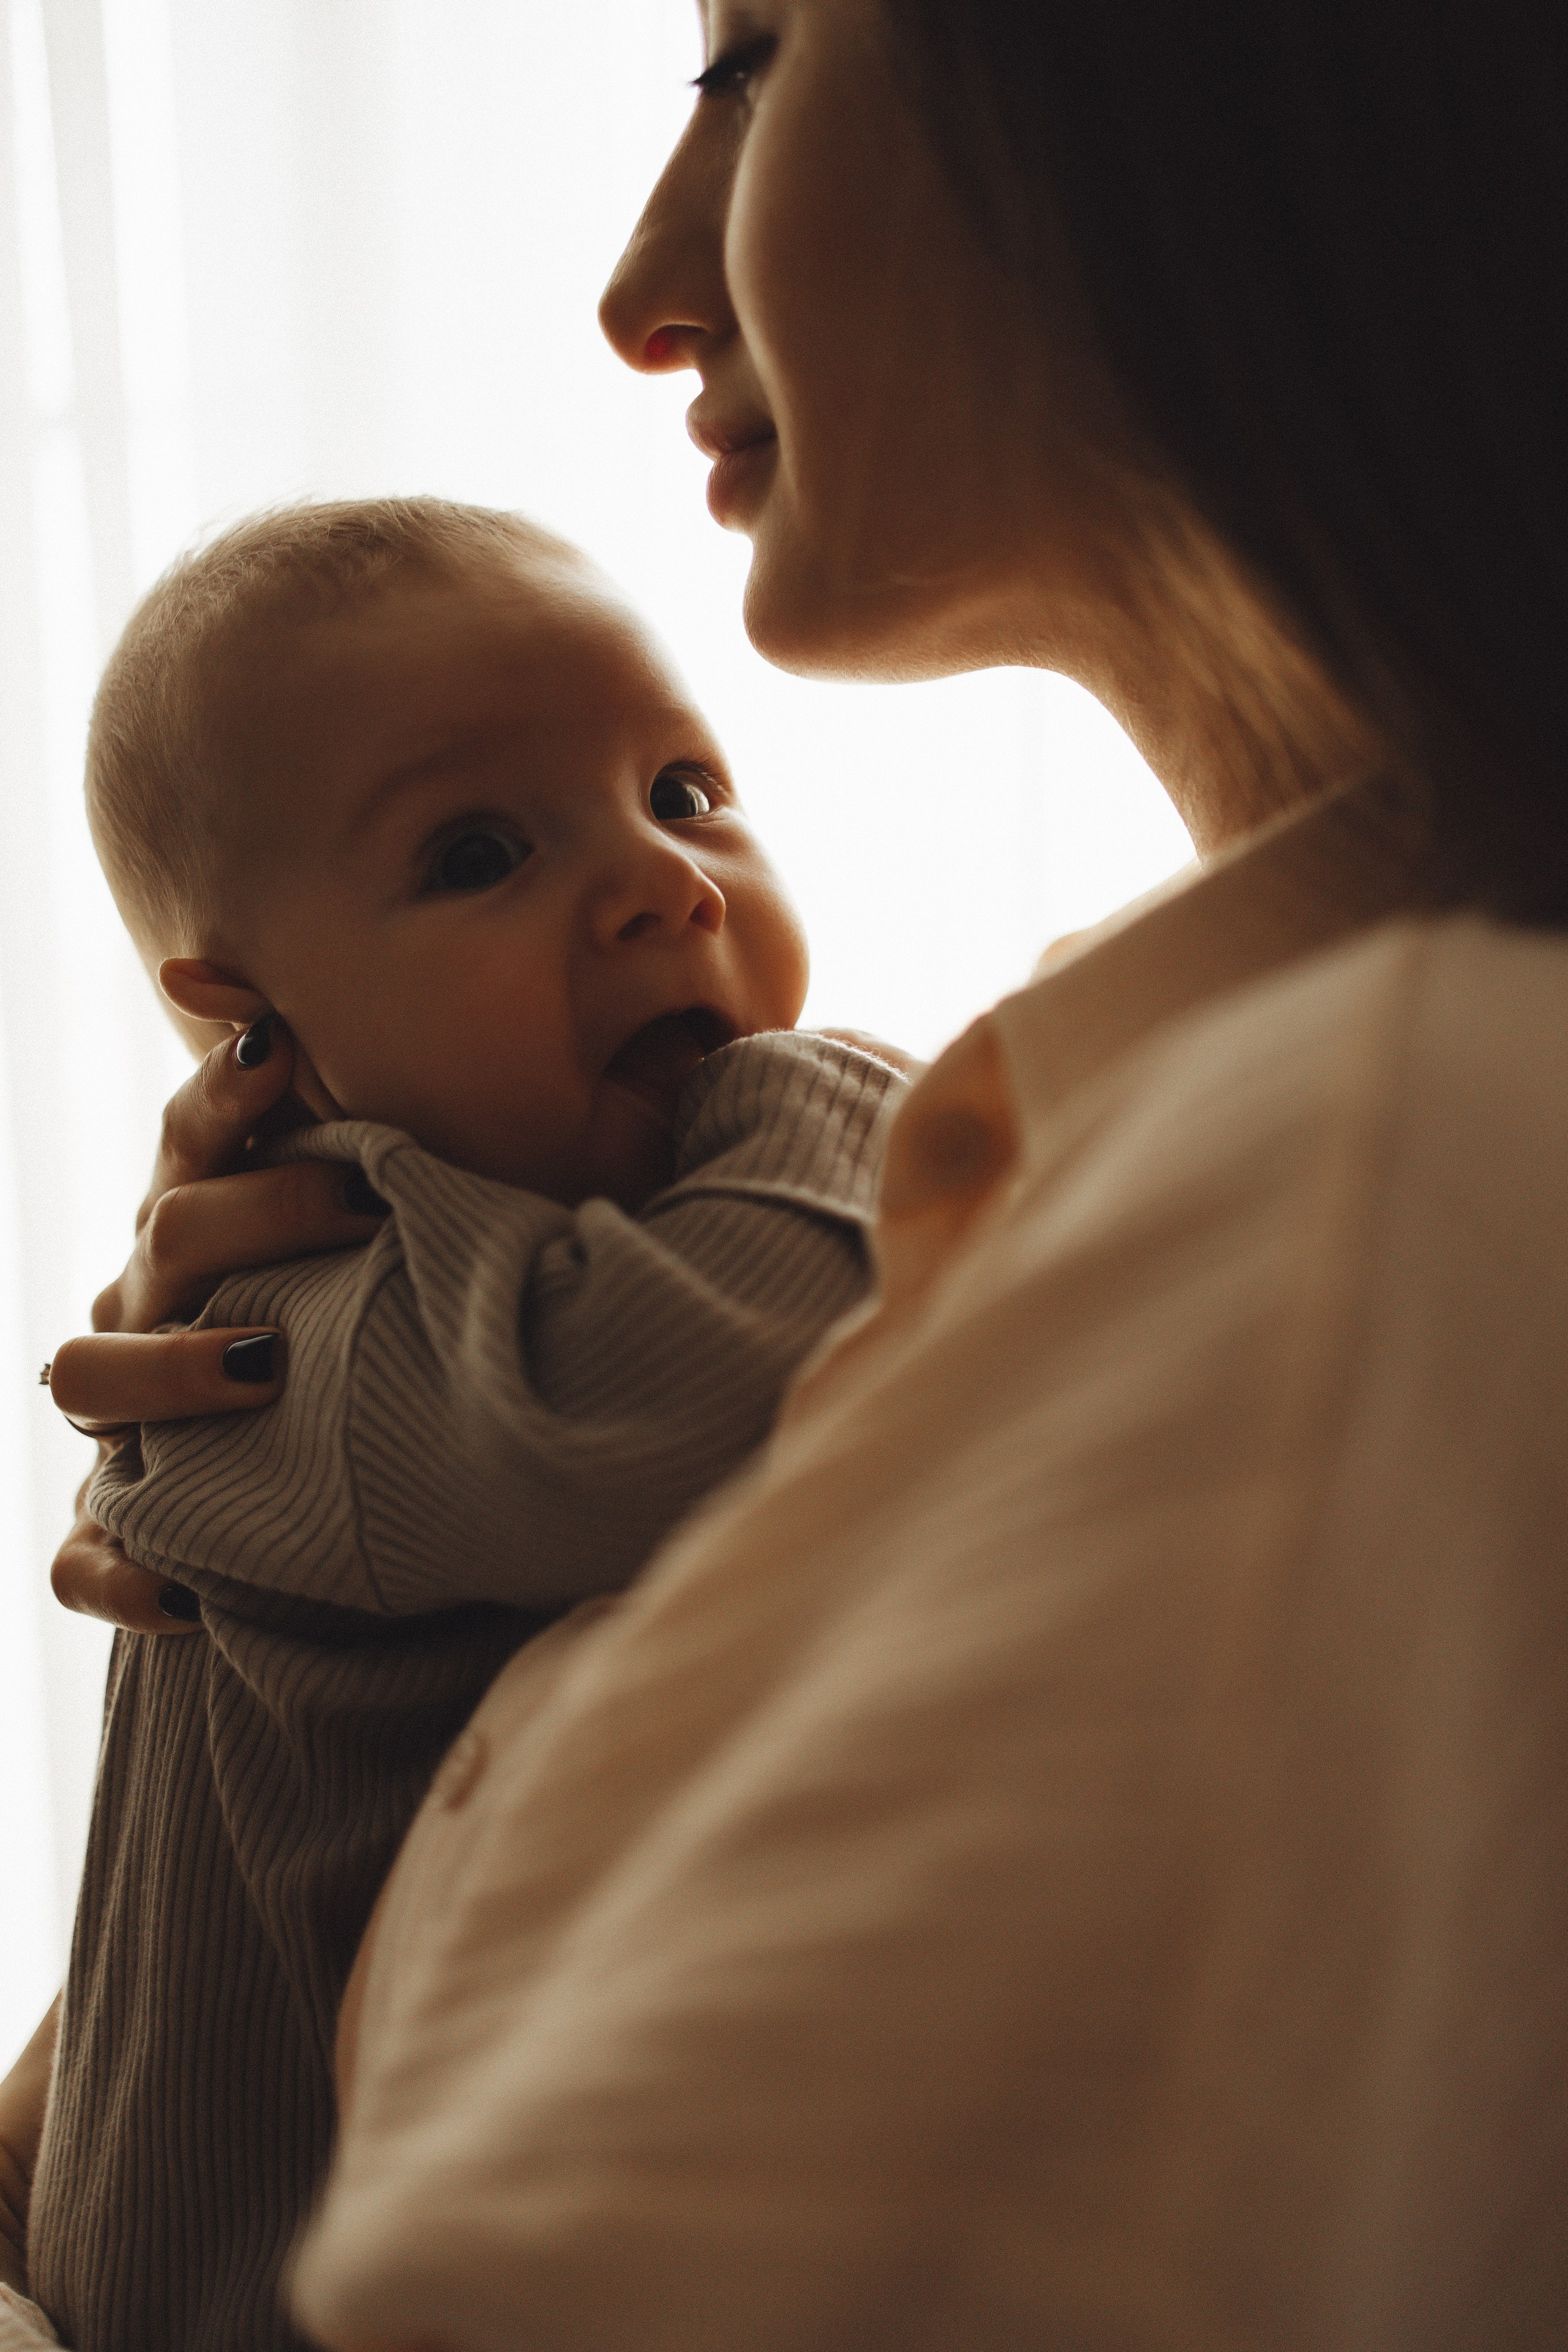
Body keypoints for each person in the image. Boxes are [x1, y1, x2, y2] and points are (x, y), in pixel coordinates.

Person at [17, 0, 1568, 2342]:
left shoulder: (1386, 1167)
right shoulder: (1110, 1130)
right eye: (473, 851)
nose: (646, 277)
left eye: (751, 62)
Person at [4, 497, 903, 2352]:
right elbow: (703, 1399)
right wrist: (837, 1085)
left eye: (682, 787)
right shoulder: (297, 1309)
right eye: (480, 851)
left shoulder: (541, 1252)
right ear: (251, 1025)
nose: (666, 883)